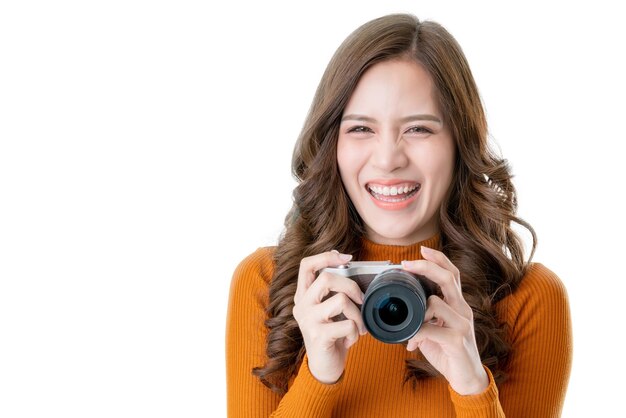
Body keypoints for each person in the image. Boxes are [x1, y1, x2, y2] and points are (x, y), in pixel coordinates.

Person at [225, 13, 572, 417]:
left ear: (460, 142)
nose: (388, 159)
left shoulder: (529, 299)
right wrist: (318, 378)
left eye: (419, 129)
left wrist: (472, 386)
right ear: (331, 145)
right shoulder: (269, 284)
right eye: (360, 129)